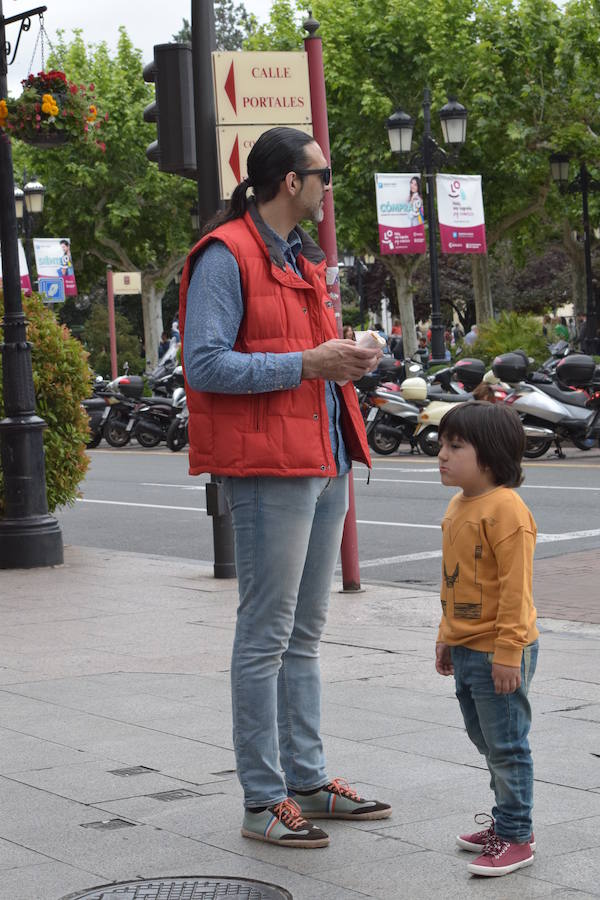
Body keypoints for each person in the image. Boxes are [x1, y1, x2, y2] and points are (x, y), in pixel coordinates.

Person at [179, 126, 391, 849]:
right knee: (265, 635)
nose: (329, 187)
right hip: (270, 466)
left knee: (304, 635)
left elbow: (311, 358)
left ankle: (308, 779)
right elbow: (204, 365)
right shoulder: (226, 254)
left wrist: (351, 356)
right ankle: (263, 800)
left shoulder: (300, 257)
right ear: (288, 182)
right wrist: (306, 363)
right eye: (322, 174)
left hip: (325, 454)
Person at [435, 402, 538, 878]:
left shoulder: (506, 510)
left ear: (492, 457)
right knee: (486, 739)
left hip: (500, 648)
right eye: (442, 445)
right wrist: (445, 636)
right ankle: (507, 820)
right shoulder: (459, 505)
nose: (442, 455)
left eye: (456, 447)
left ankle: (516, 834)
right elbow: (452, 580)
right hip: (466, 645)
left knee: (507, 744)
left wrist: (509, 652)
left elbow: (517, 589)